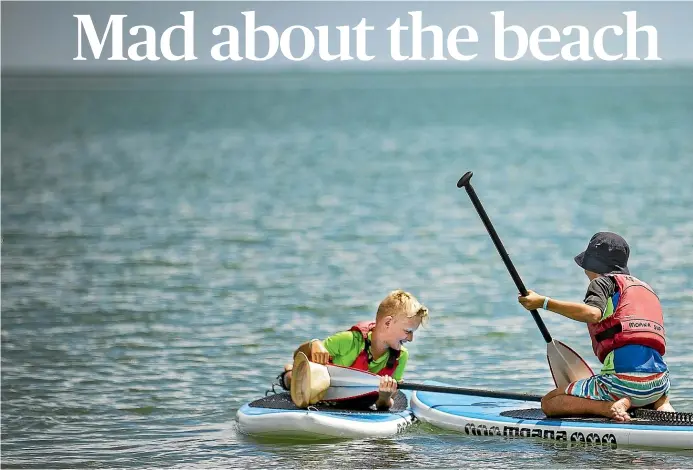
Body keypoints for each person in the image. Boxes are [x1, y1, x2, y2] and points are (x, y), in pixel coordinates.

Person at [518, 232, 673, 421]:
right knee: (649, 386)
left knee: (550, 402)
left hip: (622, 383)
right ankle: (664, 407)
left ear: (592, 265)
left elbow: (592, 313)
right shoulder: (645, 288)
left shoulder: (602, 283)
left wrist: (543, 302)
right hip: (659, 383)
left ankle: (609, 407)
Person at [279, 289, 429, 410]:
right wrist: (314, 344)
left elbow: (383, 405)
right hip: (323, 390)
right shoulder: (349, 341)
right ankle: (287, 374)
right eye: (408, 331)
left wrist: (384, 397)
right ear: (388, 322)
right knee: (293, 379)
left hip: (361, 401)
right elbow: (298, 356)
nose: (410, 338)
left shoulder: (400, 356)